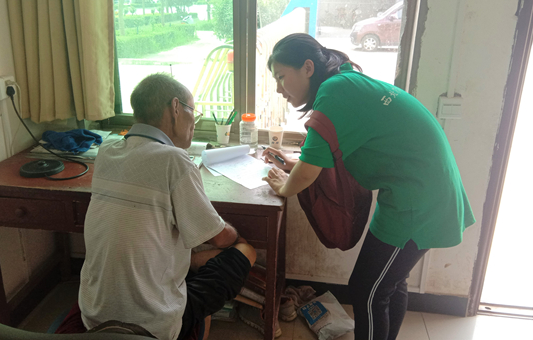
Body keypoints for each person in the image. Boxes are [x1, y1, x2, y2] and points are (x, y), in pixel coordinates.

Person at [261, 33, 475, 340]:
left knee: (367, 290)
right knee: (389, 283)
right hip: (414, 191)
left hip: (417, 201)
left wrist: (284, 187)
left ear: (307, 68)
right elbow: (327, 151)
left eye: (281, 77)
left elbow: (306, 176)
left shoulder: (334, 92)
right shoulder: (345, 80)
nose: (279, 89)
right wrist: (298, 164)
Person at [78, 73, 256, 340]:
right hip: (154, 325)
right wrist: (235, 237)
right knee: (244, 251)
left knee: (180, 250)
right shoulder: (176, 161)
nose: (193, 122)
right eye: (192, 112)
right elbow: (220, 238)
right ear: (175, 108)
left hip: (94, 316)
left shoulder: (107, 151)